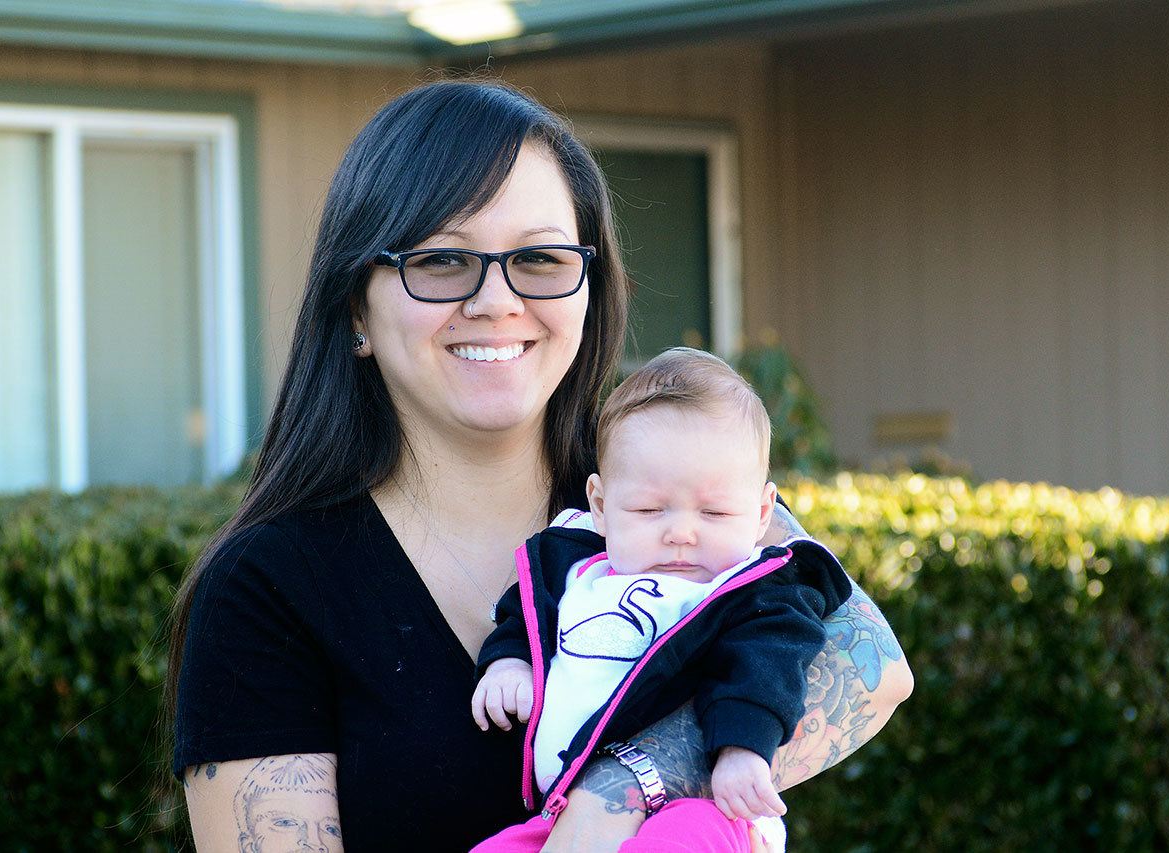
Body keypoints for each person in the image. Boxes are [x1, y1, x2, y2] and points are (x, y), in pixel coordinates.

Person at [163, 78, 914, 852]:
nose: (496, 299)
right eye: (444, 259)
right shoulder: (267, 589)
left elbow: (873, 663)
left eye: (541, 258)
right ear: (357, 311)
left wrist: (617, 790)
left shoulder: (660, 488)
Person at [470, 348, 853, 852]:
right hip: (561, 812)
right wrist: (508, 664)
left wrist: (743, 748)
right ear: (601, 507)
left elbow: (767, 665)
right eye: (650, 509)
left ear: (762, 513)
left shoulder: (754, 592)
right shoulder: (573, 568)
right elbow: (524, 618)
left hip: (706, 810)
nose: (681, 533)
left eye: (714, 513)